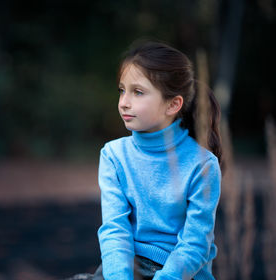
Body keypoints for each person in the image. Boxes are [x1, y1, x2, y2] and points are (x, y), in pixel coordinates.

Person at [68, 39, 222, 280]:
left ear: (173, 104)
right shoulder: (113, 155)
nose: (124, 102)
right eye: (122, 90)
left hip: (181, 273)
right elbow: (115, 231)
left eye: (138, 92)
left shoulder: (203, 165)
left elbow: (195, 244)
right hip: (129, 266)